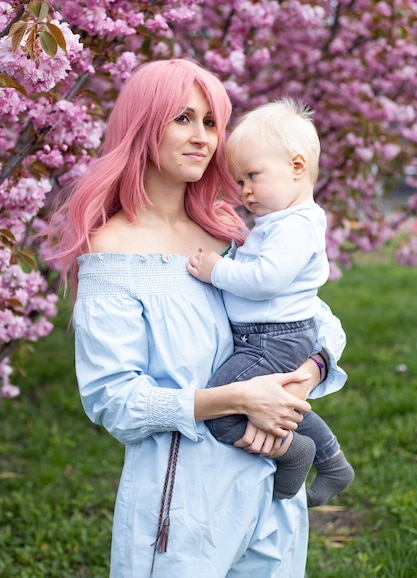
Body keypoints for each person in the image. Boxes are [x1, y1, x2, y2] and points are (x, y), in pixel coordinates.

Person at [48, 58, 347, 578]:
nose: (203, 137)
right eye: (182, 118)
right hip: (182, 510)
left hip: (272, 484)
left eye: (211, 122)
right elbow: (113, 400)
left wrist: (308, 375)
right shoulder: (111, 252)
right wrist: (234, 400)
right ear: (143, 124)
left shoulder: (230, 232)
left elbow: (313, 317)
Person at [187, 99, 354, 507]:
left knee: (221, 410)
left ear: (297, 167)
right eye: (240, 180)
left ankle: (292, 452)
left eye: (252, 176)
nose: (244, 190)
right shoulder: (283, 221)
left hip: (272, 340)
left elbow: (266, 280)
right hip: (271, 337)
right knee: (280, 401)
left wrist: (215, 271)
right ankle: (333, 462)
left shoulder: (295, 226)